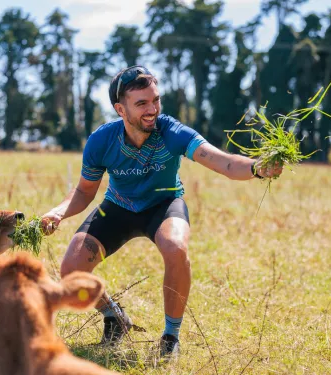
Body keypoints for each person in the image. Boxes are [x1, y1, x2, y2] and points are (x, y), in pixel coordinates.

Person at [41, 65, 283, 358]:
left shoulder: (173, 132)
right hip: (118, 206)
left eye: (155, 99)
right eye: (141, 103)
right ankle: (115, 317)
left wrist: (258, 167)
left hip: (164, 205)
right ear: (120, 109)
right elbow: (83, 192)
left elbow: (227, 164)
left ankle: (170, 337)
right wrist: (58, 212)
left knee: (175, 247)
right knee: (71, 269)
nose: (152, 109)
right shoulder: (101, 141)